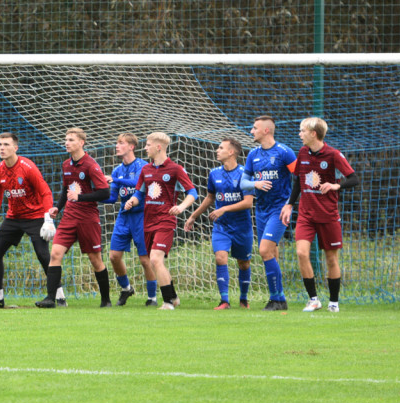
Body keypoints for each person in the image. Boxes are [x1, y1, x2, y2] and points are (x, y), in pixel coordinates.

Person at [279, 117, 360, 313]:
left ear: (313, 133)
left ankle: (333, 302)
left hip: (328, 215)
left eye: (302, 130)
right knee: (301, 253)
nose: (300, 134)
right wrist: (289, 204)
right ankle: (313, 299)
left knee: (331, 259)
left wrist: (335, 185)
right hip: (306, 214)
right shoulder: (302, 152)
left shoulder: (332, 155)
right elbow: (298, 181)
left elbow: (354, 178)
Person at [39, 128, 111, 308]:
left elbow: (105, 192)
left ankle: (106, 300)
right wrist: (58, 206)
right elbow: (66, 189)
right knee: (55, 254)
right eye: (66, 139)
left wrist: (81, 198)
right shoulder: (66, 165)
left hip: (88, 218)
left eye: (71, 139)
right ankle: (50, 299)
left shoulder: (91, 165)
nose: (66, 142)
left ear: (81, 143)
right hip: (69, 217)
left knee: (95, 260)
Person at [124, 132, 198, 309]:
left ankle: (166, 303)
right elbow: (140, 193)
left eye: (148, 145)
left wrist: (181, 207)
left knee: (156, 259)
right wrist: (132, 201)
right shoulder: (146, 170)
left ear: (158, 147)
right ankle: (173, 297)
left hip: (166, 220)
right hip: (148, 221)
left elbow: (192, 193)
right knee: (154, 261)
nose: (145, 148)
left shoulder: (175, 169)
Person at [0, 132, 54, 308]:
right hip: (13, 217)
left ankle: (57, 296)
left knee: (43, 255)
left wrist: (48, 220)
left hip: (35, 216)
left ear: (15, 148)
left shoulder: (27, 167)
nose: (2, 148)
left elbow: (45, 192)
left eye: (6, 144)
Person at [183, 138, 255, 309]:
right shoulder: (214, 173)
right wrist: (193, 216)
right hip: (221, 227)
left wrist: (224, 209)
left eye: (221, 148)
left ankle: (244, 299)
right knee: (220, 257)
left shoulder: (245, 174)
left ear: (231, 152)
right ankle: (224, 301)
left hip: (242, 227)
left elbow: (248, 203)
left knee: (243, 263)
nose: (217, 150)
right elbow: (210, 198)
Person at [240, 115, 298, 311]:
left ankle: (276, 298)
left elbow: (299, 177)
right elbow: (243, 183)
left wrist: (290, 204)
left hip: (279, 209)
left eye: (254, 128)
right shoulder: (253, 155)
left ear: (266, 130)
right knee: (271, 252)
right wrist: (255, 183)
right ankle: (279, 300)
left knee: (264, 250)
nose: (251, 131)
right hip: (261, 210)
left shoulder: (284, 152)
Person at [105, 133, 157, 306]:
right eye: (117, 142)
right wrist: (88, 196)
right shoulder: (117, 170)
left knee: (144, 259)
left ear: (131, 146)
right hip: (123, 216)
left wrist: (115, 180)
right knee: (114, 256)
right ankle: (127, 288)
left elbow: (137, 183)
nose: (117, 146)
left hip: (142, 216)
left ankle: (152, 298)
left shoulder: (143, 165)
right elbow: (112, 198)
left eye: (121, 143)